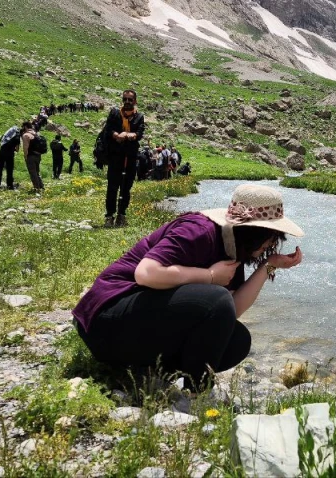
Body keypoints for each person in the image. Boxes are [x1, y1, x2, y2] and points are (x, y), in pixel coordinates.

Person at [71, 184, 305, 393]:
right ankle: (195, 394)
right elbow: (146, 273)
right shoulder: (198, 229)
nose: (272, 243)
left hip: (134, 326)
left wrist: (268, 265)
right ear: (256, 231)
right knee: (217, 298)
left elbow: (229, 312)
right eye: (272, 236)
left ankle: (147, 371)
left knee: (237, 340)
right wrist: (210, 276)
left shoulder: (234, 246)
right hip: (105, 319)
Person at [102, 89, 145, 228]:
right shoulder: (115, 113)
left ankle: (122, 215)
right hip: (115, 156)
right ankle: (109, 215)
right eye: (125, 99)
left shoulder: (139, 117)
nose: (127, 102)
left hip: (130, 156)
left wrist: (130, 135)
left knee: (126, 187)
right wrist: (117, 135)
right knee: (112, 186)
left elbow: (139, 132)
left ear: (135, 101)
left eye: (130, 100)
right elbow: (108, 129)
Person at [0, 124, 22, 189]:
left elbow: (1, 141)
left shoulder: (6, 135)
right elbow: (17, 149)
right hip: (10, 154)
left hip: (2, 152)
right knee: (9, 170)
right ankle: (9, 185)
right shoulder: (17, 136)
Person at [21, 122, 45, 192]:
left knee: (32, 172)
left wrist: (25, 156)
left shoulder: (26, 135)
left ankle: (36, 188)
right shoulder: (36, 134)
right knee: (37, 172)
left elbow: (25, 148)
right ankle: (41, 186)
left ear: (25, 127)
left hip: (31, 156)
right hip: (38, 155)